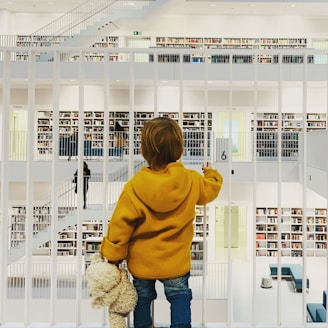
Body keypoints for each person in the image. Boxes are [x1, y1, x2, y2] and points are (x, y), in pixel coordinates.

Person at [100, 117, 223, 328]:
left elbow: (121, 224)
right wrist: (212, 174)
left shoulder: (135, 186)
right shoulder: (191, 180)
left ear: (143, 151)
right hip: (175, 261)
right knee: (180, 296)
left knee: (142, 298)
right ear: (181, 151)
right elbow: (211, 190)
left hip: (142, 263)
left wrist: (112, 256)